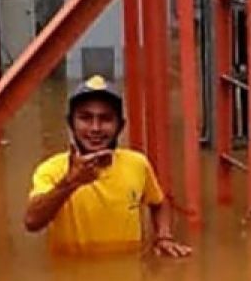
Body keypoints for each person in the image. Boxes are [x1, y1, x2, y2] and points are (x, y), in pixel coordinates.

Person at [25, 76, 192, 258]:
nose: (95, 128)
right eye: (85, 118)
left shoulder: (137, 163)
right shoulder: (51, 169)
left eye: (105, 119)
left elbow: (159, 203)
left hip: (128, 278)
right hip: (73, 278)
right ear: (71, 124)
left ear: (120, 126)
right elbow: (32, 222)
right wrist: (69, 183)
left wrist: (163, 236)